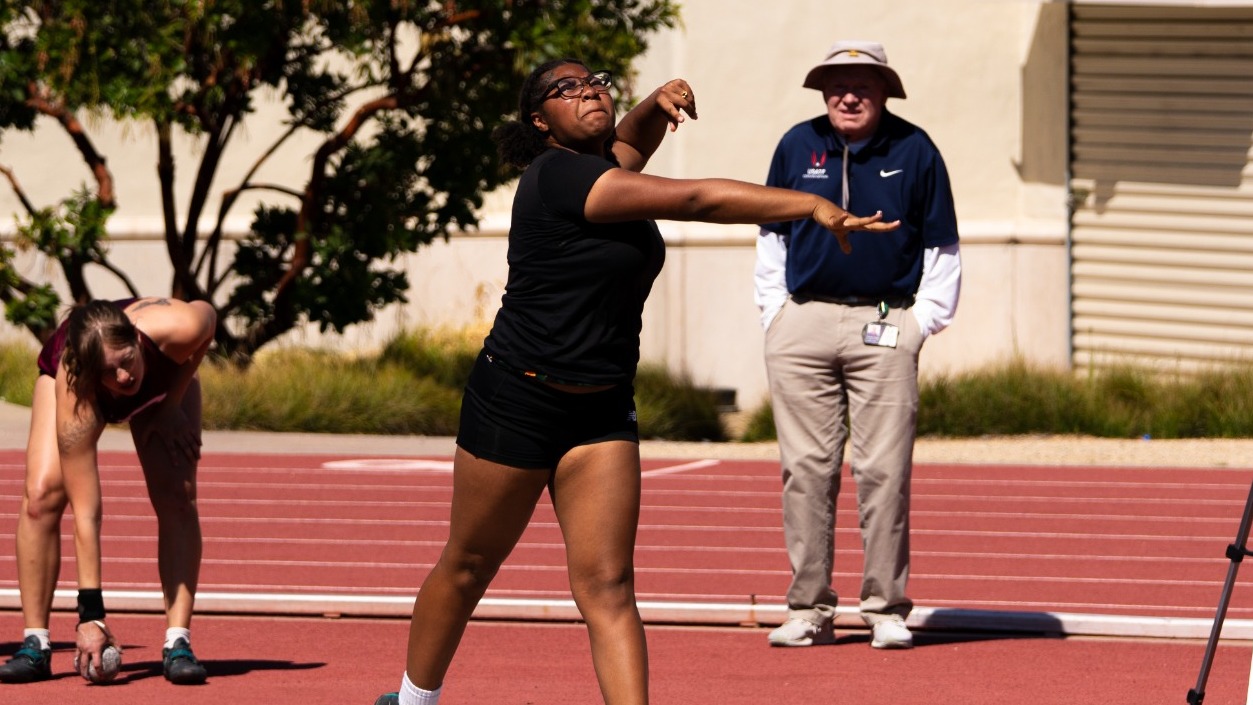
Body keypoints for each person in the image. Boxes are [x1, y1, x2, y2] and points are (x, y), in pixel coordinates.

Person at [373, 58, 899, 705]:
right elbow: (693, 198)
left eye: (593, 80)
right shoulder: (557, 177)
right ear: (540, 123)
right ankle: (411, 698)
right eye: (564, 90)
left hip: (599, 406)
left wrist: (655, 101)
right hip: (517, 397)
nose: (587, 89)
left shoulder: (604, 165)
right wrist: (809, 204)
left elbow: (627, 143)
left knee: (609, 585)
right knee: (468, 565)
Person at [755, 40, 962, 650]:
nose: (849, 95)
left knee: (884, 472)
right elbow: (771, 234)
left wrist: (923, 320)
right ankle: (808, 609)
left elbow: (942, 245)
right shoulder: (797, 144)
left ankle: (885, 608)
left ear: (884, 92)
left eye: (862, 85)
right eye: (837, 84)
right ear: (823, 90)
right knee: (806, 471)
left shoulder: (915, 149)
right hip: (802, 324)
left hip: (886, 324)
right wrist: (776, 314)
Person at [0, 296, 217, 685]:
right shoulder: (76, 388)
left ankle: (178, 642)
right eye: (107, 371)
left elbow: (209, 319)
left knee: (177, 497)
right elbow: (87, 511)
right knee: (42, 496)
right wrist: (91, 616)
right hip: (78, 390)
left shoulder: (178, 327)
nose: (121, 378)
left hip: (164, 385)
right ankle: (36, 643)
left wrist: (172, 402)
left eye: (126, 360)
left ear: (136, 338)